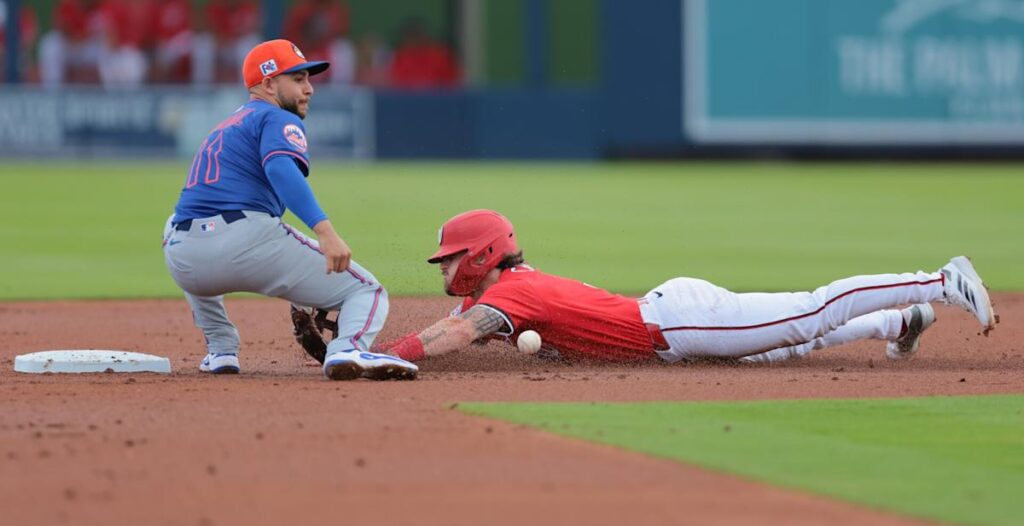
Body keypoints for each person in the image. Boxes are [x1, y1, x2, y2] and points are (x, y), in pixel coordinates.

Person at [375, 209, 997, 367]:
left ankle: (942, 280)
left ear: (481, 253)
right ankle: (899, 320)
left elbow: (456, 331)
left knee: (807, 314)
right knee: (789, 348)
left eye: (451, 257)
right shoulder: (505, 287)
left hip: (677, 324)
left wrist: (386, 356)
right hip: (675, 322)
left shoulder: (509, 297)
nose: (443, 268)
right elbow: (463, 316)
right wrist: (338, 345)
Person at [162, 39, 418, 381]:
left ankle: (221, 350)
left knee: (174, 226)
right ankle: (348, 348)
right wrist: (324, 231)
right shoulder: (277, 117)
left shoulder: (226, 125)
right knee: (366, 291)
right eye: (297, 79)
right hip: (247, 241)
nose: (309, 89)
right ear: (268, 84)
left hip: (185, 258)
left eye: (308, 79)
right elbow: (281, 170)